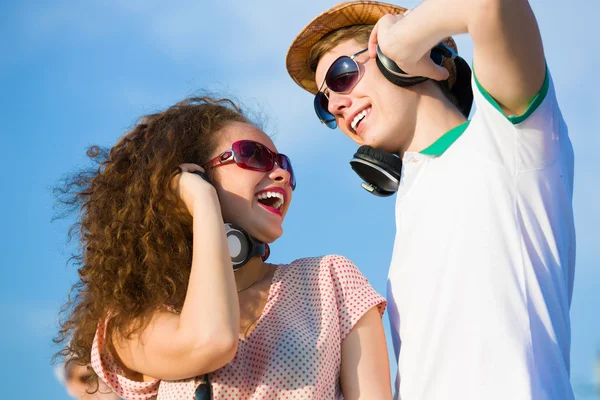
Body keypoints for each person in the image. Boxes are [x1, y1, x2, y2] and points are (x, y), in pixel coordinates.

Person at [286, 1, 575, 399]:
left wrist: (400, 38)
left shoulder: (511, 137)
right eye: (324, 104)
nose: (335, 105)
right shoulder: (410, 204)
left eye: (342, 76)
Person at [54, 96, 392, 399]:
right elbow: (210, 342)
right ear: (194, 175)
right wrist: (202, 203)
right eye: (254, 156)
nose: (281, 175)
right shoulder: (133, 320)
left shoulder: (331, 280)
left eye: (284, 164)